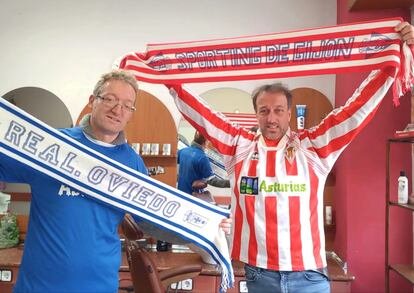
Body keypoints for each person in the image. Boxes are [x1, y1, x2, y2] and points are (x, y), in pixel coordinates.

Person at [169, 22, 414, 293]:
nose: (271, 118)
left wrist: (390, 64)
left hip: (308, 277)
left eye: (278, 110)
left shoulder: (312, 147)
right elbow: (203, 115)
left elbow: (354, 111)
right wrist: (169, 79)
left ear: (289, 113)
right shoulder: (240, 147)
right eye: (264, 111)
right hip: (259, 276)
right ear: (256, 114)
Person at [0, 70, 148, 293]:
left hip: (99, 287)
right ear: (92, 101)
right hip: (38, 288)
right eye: (110, 99)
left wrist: (209, 225)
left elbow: (155, 219)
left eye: (128, 105)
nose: (118, 109)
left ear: (131, 114)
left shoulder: (133, 164)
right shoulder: (51, 146)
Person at [177, 131, 230, 196]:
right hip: (194, 195)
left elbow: (174, 162)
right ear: (206, 141)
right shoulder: (202, 157)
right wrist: (231, 183)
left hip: (180, 193)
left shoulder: (183, 151)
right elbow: (213, 181)